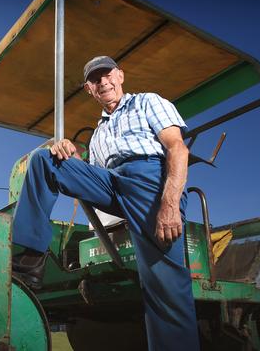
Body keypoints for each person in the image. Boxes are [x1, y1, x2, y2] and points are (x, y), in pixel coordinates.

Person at [11, 56, 199, 350]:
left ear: (120, 76)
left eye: (107, 75)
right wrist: (68, 154)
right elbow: (94, 179)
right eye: (95, 80)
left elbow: (177, 148)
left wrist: (171, 203)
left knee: (164, 288)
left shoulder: (147, 102)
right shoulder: (98, 133)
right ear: (89, 89)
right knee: (45, 159)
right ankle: (30, 259)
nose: (103, 82)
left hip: (148, 180)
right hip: (112, 185)